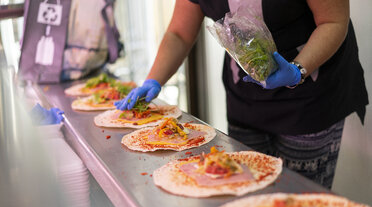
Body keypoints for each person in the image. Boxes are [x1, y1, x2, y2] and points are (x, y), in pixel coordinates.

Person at [115, 0, 369, 189]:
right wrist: (153, 79)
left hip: (311, 94)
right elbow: (179, 33)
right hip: (245, 97)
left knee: (299, 203)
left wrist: (298, 69)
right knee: (245, 193)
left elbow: (333, 22)